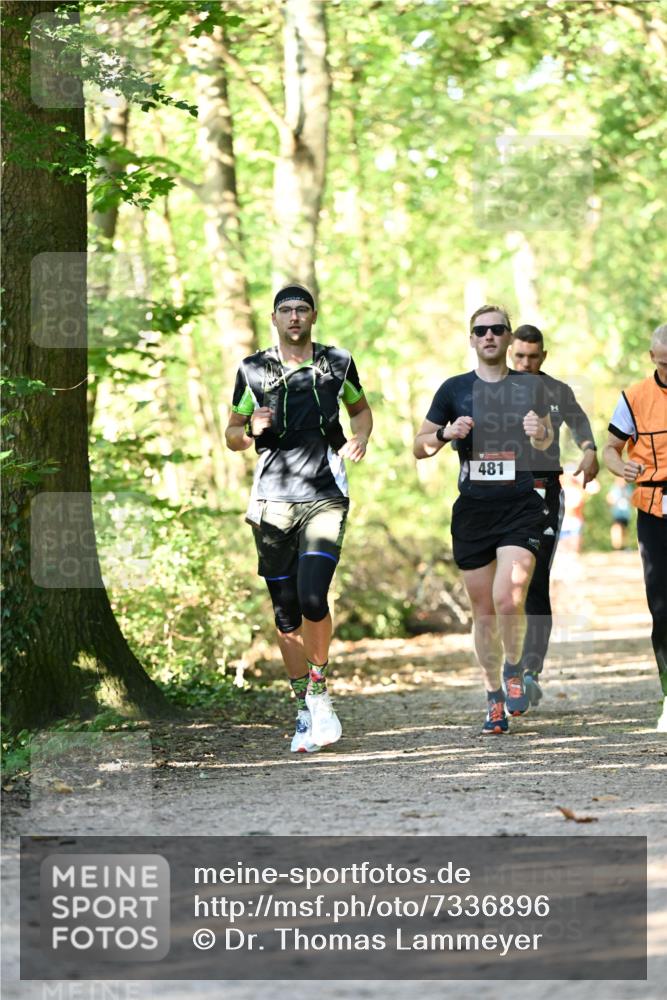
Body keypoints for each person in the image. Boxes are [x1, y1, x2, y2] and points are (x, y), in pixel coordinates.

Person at [225, 284, 373, 752]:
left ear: (313, 316)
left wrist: (360, 438)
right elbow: (231, 433)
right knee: (286, 611)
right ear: (273, 318)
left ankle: (319, 688)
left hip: (325, 495)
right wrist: (249, 430)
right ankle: (304, 709)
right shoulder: (252, 370)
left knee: (312, 595)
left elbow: (360, 411)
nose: (294, 317)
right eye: (285, 310)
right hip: (272, 502)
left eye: (301, 309)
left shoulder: (337, 363)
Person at [414, 305, 553, 735]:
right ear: (472, 339)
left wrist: (540, 433)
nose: (489, 336)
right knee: (484, 611)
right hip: (473, 512)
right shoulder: (454, 389)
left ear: (508, 338)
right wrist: (445, 433)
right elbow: (419, 446)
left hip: (520, 506)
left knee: (508, 597)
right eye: (481, 330)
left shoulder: (530, 387)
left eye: (497, 329)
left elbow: (546, 440)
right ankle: (493, 695)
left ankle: (514, 668)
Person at [510, 325, 599, 704]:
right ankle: (506, 668)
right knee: (504, 585)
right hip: (499, 496)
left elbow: (579, 422)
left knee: (535, 580)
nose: (526, 363)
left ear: (543, 356)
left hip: (544, 492)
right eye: (520, 356)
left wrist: (590, 450)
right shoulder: (492, 388)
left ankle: (530, 670)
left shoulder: (557, 392)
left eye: (533, 356)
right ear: (510, 353)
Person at [603, 323, 667, 733]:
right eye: (665, 363)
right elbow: (610, 448)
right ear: (652, 358)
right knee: (662, 607)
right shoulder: (634, 398)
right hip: (653, 508)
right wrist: (620, 466)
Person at [606, 477, 633, 550]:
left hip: (626, 514)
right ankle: (617, 546)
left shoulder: (628, 488)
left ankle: (624, 546)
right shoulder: (614, 488)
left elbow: (631, 499)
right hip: (617, 513)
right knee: (617, 528)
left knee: (624, 530)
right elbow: (609, 499)